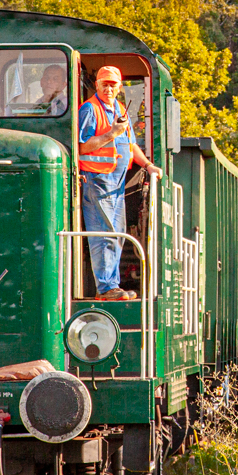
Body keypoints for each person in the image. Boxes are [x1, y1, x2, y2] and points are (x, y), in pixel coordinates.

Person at [78, 65, 161, 300]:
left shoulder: (119, 109)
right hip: (98, 181)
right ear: (97, 85)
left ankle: (112, 285)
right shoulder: (90, 109)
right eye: (104, 83)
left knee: (117, 233)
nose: (109, 88)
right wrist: (111, 134)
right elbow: (82, 146)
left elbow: (131, 145)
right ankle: (105, 289)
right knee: (104, 233)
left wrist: (147, 165)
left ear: (120, 87)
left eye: (113, 84)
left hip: (116, 183)